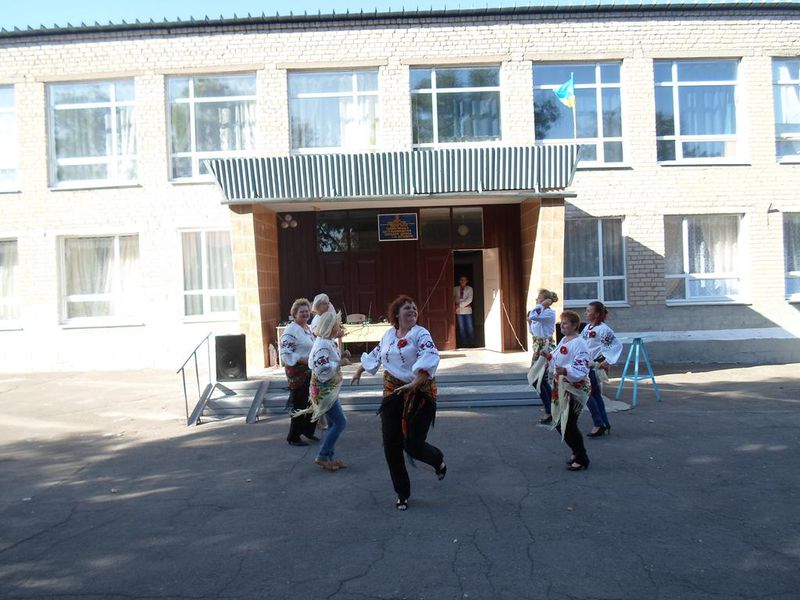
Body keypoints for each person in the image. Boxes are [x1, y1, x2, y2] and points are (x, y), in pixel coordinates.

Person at [351, 295, 446, 511]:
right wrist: (359, 369)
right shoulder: (388, 335)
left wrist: (415, 384)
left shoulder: (421, 334)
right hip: (393, 392)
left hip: (420, 393)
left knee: (412, 445)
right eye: (407, 308)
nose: (412, 310)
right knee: (391, 445)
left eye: (414, 308)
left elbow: (430, 356)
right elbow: (377, 354)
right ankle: (402, 493)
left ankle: (437, 460)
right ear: (396, 313)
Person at [293, 311, 350, 471]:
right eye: (338, 324)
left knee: (332, 424)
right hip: (324, 391)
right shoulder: (323, 343)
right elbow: (321, 367)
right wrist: (340, 364)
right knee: (340, 422)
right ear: (331, 327)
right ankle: (323, 455)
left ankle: (329, 457)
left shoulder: (327, 341)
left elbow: (329, 360)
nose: (340, 327)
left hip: (328, 390)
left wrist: (340, 357)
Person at [544, 310, 592, 471]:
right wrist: (549, 357)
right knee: (559, 421)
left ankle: (581, 457)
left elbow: (582, 366)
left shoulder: (579, 343)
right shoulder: (565, 339)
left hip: (574, 388)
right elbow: (558, 358)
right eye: (561, 323)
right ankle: (576, 451)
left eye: (565, 323)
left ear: (574, 325)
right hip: (562, 386)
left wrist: (566, 371)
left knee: (568, 423)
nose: (562, 326)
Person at [279, 298, 319, 447]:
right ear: (294, 314)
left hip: (310, 371)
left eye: (307, 311)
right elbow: (285, 353)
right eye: (301, 311)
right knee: (300, 404)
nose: (305, 313)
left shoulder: (308, 328)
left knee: (313, 402)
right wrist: (301, 359)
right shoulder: (291, 330)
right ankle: (293, 436)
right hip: (298, 373)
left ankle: (308, 431)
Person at [581, 300, 623, 437]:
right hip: (586, 365)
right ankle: (604, 422)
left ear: (597, 314)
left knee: (587, 394)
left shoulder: (604, 329)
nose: (586, 313)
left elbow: (616, 345)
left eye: (589, 311)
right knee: (595, 395)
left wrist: (606, 360)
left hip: (594, 366)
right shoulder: (588, 328)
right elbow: (581, 343)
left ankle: (599, 423)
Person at [526, 289, 558, 425]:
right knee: (538, 379)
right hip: (538, 348)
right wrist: (529, 322)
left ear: (545, 301)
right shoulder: (540, 312)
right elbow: (533, 330)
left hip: (545, 348)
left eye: (539, 299)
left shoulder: (549, 313)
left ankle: (549, 410)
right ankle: (551, 407)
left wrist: (543, 305)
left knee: (537, 379)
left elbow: (533, 315)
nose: (536, 301)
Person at [453, 275, 475, 347]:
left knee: (470, 327)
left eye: (464, 280)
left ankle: (472, 343)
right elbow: (453, 298)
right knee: (461, 328)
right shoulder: (455, 289)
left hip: (467, 311)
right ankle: (464, 344)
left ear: (467, 281)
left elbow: (469, 299)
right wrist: (458, 305)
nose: (463, 281)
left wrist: (459, 305)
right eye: (461, 280)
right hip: (459, 311)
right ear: (459, 281)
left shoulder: (470, 289)